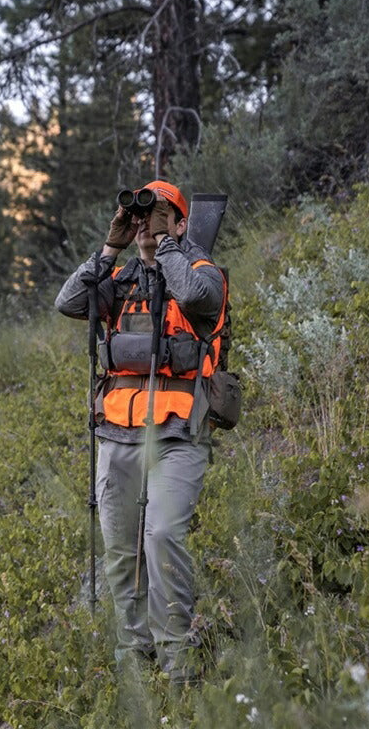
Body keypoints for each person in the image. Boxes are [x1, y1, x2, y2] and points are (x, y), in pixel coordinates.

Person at [54, 181, 227, 683]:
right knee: (120, 552)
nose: (148, 225)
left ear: (179, 221)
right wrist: (110, 248)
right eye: (142, 218)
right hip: (117, 436)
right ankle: (136, 656)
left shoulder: (201, 270)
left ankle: (178, 667)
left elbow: (196, 297)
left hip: (176, 437)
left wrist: (167, 245)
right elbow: (68, 303)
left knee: (163, 537)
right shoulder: (121, 278)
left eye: (161, 216)